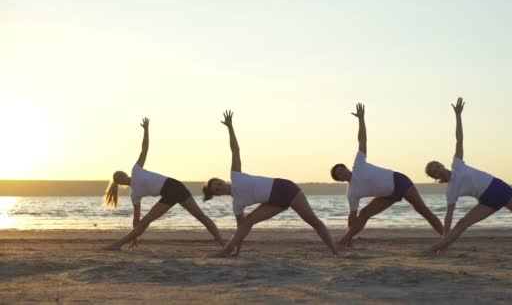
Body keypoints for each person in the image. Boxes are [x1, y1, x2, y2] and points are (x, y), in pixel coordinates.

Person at [425, 97, 512, 258]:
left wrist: (458, 115)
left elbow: (459, 139)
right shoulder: (451, 190)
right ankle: (437, 248)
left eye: (437, 165)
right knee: (462, 223)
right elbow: (449, 216)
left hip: (500, 188)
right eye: (435, 170)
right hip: (487, 201)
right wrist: (445, 239)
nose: (438, 169)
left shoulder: (457, 164)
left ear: (442, 164)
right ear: (435, 177)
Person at [203, 110, 338, 257]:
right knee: (246, 223)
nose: (219, 187)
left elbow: (235, 150)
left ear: (222, 181)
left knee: (313, 221)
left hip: (286, 189)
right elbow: (240, 229)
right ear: (218, 194)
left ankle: (335, 252)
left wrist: (230, 127)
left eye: (218, 183)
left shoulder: (236, 176)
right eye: (217, 189)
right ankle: (228, 250)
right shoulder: (237, 204)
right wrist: (238, 249)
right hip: (273, 202)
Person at [330, 103, 443, 247]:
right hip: (386, 196)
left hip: (399, 181)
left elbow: (362, 140)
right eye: (339, 174)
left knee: (422, 210)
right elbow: (352, 216)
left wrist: (361, 119)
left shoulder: (358, 164)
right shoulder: (352, 193)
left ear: (346, 168)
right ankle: (346, 241)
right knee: (364, 214)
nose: (342, 172)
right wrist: (350, 232)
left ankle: (446, 236)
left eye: (342, 169)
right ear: (340, 180)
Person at [103, 118, 223, 250]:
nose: (121, 175)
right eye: (119, 176)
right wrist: (135, 238)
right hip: (167, 194)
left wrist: (146, 130)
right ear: (119, 182)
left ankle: (223, 244)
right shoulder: (134, 195)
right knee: (144, 222)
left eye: (121, 172)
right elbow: (136, 219)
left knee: (200, 216)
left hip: (175, 186)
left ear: (125, 173)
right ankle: (118, 245)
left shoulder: (136, 170)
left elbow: (144, 149)